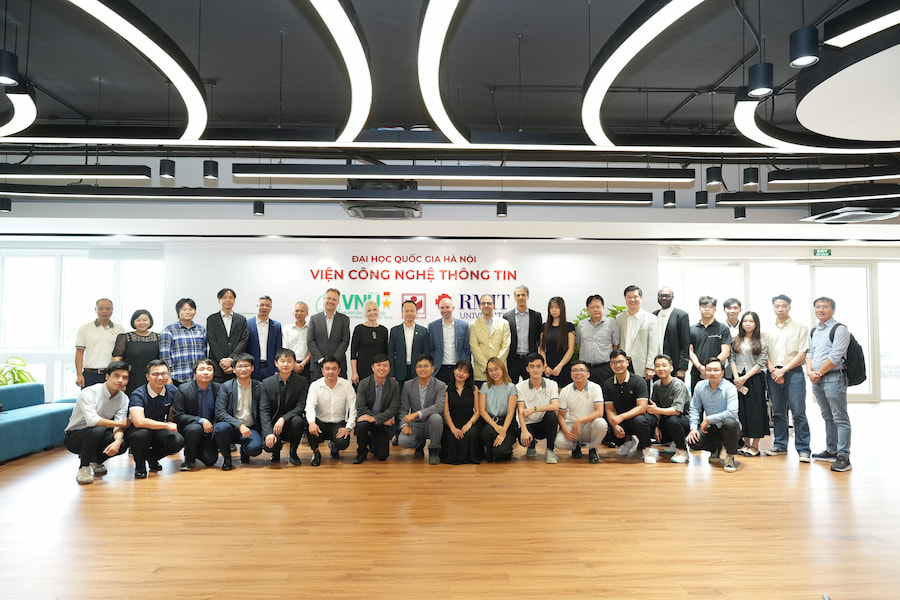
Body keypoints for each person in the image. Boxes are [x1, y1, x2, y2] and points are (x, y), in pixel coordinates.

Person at [64, 360, 131, 484]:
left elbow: (118, 424)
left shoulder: (123, 399)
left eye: (124, 377)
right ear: (107, 377)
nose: (120, 380)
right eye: (116, 376)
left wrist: (118, 441)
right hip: (75, 437)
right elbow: (93, 421)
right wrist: (121, 424)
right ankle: (83, 467)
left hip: (97, 434)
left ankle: (95, 460)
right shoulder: (89, 392)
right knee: (98, 429)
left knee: (123, 442)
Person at [807, 297, 852, 472]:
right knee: (827, 416)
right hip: (816, 379)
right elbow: (809, 352)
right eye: (817, 306)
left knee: (840, 417)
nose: (820, 309)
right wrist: (810, 372)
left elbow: (836, 355)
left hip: (834, 377)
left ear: (833, 310)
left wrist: (818, 373)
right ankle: (831, 450)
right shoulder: (814, 331)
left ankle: (844, 456)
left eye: (825, 306)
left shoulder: (839, 329)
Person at [764, 294, 811, 462]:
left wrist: (783, 370)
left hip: (794, 373)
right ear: (773, 307)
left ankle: (804, 449)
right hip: (773, 375)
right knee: (778, 413)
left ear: (789, 307)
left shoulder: (800, 328)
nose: (780, 309)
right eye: (777, 306)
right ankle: (780, 445)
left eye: (784, 306)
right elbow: (764, 353)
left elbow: (802, 353)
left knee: (798, 413)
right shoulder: (766, 328)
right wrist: (773, 371)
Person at [125, 359, 184, 478]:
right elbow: (139, 421)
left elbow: (173, 409)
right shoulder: (138, 394)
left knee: (178, 440)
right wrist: (167, 425)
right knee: (141, 435)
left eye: (163, 373)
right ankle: (140, 466)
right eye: (155, 374)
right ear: (147, 377)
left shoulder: (172, 390)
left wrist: (170, 422)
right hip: (138, 429)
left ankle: (152, 458)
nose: (160, 377)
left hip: (158, 428)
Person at [687, 357, 741, 473]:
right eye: (709, 370)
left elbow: (732, 413)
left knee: (730, 422)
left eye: (716, 370)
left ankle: (730, 456)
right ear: (705, 371)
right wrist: (692, 429)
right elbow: (694, 408)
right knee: (692, 442)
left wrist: (708, 419)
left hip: (729, 428)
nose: (712, 373)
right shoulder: (700, 386)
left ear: (722, 372)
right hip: (712, 428)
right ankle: (715, 448)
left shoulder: (730, 388)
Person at [603, 349, 655, 463]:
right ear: (610, 365)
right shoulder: (608, 384)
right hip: (622, 419)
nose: (618, 365)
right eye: (614, 362)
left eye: (621, 361)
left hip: (640, 418)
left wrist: (621, 417)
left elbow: (642, 408)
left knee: (640, 421)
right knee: (606, 428)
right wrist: (615, 425)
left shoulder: (638, 381)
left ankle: (647, 448)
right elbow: (610, 409)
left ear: (627, 362)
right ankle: (629, 441)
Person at [213, 353, 264, 470]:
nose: (243, 369)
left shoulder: (259, 387)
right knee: (221, 428)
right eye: (239, 366)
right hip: (231, 427)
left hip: (250, 428)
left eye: (246, 366)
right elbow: (220, 412)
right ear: (234, 369)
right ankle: (227, 458)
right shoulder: (226, 387)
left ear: (252, 368)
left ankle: (245, 452)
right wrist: (239, 425)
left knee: (255, 449)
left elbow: (264, 411)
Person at [305, 355, 357, 466]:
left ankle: (334, 448)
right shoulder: (315, 385)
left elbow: (353, 407)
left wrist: (348, 427)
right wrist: (311, 423)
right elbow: (310, 406)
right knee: (307, 421)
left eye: (334, 368)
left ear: (339, 370)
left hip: (338, 424)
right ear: (322, 370)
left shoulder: (346, 385)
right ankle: (316, 453)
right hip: (320, 423)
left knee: (342, 442)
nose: (330, 372)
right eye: (327, 369)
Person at [259, 349, 308, 466]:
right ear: (276, 363)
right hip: (273, 423)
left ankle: (293, 452)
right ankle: (275, 452)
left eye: (289, 361)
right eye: (282, 361)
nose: (285, 364)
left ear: (295, 363)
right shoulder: (266, 383)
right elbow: (264, 410)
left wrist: (283, 418)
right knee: (268, 445)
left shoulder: (302, 381)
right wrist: (268, 432)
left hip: (291, 422)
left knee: (298, 421)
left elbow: (301, 406)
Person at [554, 360, 608, 464]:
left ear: (588, 374)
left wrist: (579, 421)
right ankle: (575, 446)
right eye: (575, 370)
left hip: (589, 425)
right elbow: (561, 416)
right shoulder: (565, 390)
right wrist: (565, 431)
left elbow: (599, 412)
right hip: (571, 426)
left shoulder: (595, 388)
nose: (578, 373)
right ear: (570, 374)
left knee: (601, 424)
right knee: (559, 442)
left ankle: (593, 449)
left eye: (582, 370)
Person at [730, 311, 768, 457]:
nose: (747, 323)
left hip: (754, 379)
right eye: (745, 321)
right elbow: (731, 358)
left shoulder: (761, 340)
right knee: (742, 412)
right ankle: (746, 443)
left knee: (756, 412)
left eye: (751, 321)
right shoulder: (737, 339)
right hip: (737, 379)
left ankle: (755, 445)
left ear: (756, 323)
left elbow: (761, 362)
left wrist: (744, 378)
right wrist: (736, 378)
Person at [173, 358, 222, 470]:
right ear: (194, 373)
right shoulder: (183, 389)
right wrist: (202, 420)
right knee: (195, 428)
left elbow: (221, 411)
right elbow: (178, 415)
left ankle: (196, 451)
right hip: (191, 429)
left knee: (210, 461)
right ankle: (188, 459)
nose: (205, 372)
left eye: (209, 369)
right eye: (201, 369)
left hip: (210, 430)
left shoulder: (218, 389)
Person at [398, 354, 447, 465]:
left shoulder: (440, 385)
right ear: (415, 369)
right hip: (415, 425)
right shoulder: (408, 385)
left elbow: (439, 406)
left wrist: (416, 414)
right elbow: (403, 409)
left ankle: (434, 450)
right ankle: (419, 444)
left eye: (426, 366)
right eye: (419, 366)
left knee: (436, 418)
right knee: (403, 441)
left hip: (431, 422)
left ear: (432, 368)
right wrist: (404, 425)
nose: (422, 369)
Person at [354, 354, 400, 463]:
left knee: (383, 456)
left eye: (385, 366)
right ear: (372, 367)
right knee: (362, 425)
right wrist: (376, 419)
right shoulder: (364, 383)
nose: (382, 368)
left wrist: (376, 419)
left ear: (389, 369)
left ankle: (373, 441)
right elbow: (361, 407)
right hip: (371, 419)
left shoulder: (394, 385)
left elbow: (393, 408)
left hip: (381, 423)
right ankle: (361, 452)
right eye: (378, 365)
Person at [515, 353, 560, 464]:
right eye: (532, 366)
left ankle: (550, 450)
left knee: (551, 416)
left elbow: (555, 406)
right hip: (529, 424)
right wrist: (524, 431)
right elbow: (520, 410)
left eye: (538, 366)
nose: (535, 370)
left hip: (545, 424)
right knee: (523, 437)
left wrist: (533, 409)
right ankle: (531, 446)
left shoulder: (552, 384)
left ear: (544, 368)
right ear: (527, 369)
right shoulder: (519, 386)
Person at [648, 354, 691, 463]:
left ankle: (682, 450)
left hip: (683, 421)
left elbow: (676, 411)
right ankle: (674, 442)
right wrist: (656, 426)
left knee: (672, 419)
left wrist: (656, 410)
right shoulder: (657, 385)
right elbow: (654, 406)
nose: (661, 368)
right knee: (649, 421)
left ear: (671, 368)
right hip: (667, 419)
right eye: (657, 366)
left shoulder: (678, 385)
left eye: (664, 365)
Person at [75, 298, 125, 388]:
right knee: (89, 401)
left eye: (108, 308)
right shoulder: (85, 328)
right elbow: (79, 352)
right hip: (90, 373)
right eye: (101, 308)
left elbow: (122, 354)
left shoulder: (119, 329)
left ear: (112, 310)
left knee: (111, 401)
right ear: (96, 310)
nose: (104, 311)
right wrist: (79, 375)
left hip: (111, 374)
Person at [440, 359, 483, 465]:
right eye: (459, 370)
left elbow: (478, 411)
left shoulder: (474, 389)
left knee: (471, 434)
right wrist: (453, 428)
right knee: (451, 436)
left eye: (465, 372)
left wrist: (469, 424)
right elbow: (445, 412)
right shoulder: (446, 389)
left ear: (469, 375)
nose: (461, 374)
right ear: (454, 370)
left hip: (469, 421)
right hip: (452, 422)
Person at [477, 356, 518, 462]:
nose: (493, 373)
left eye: (496, 369)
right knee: (487, 432)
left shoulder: (511, 387)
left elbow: (510, 412)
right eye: (490, 370)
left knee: (501, 453)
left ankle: (504, 449)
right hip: (490, 423)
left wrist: (502, 432)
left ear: (502, 369)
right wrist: (496, 427)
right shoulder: (485, 387)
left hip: (507, 425)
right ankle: (489, 450)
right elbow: (482, 411)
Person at [160, 298, 208, 387]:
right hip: (177, 378)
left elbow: (205, 353)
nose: (188, 312)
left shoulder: (201, 330)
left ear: (195, 311)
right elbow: (165, 357)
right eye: (184, 310)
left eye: (191, 309)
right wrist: (167, 376)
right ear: (178, 312)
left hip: (198, 378)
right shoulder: (169, 330)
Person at [112, 309, 160, 396]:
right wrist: (119, 380)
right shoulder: (125, 337)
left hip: (154, 378)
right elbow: (117, 360)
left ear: (150, 321)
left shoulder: (158, 337)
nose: (141, 322)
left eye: (145, 320)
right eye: (138, 320)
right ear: (133, 322)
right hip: (131, 379)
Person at [206, 287, 249, 383]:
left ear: (234, 300)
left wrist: (231, 360)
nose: (228, 300)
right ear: (219, 301)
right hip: (217, 366)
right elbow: (212, 341)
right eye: (225, 297)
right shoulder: (211, 319)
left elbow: (244, 340)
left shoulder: (241, 319)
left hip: (236, 366)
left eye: (231, 297)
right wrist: (223, 362)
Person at [688, 296, 732, 390]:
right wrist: (700, 367)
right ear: (699, 309)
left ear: (715, 309)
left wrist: (710, 368)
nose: (707, 309)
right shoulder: (692, 329)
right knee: (697, 401)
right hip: (697, 371)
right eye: (704, 306)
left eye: (710, 307)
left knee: (718, 401)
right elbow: (690, 351)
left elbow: (726, 352)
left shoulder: (723, 328)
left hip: (717, 372)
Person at [575, 294, 620, 387]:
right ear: (587, 309)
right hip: (585, 368)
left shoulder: (611, 323)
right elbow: (579, 344)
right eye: (592, 307)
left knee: (605, 395)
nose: (595, 309)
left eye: (598, 307)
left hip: (605, 368)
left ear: (603, 307)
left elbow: (615, 345)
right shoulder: (581, 325)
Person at [615, 285, 659, 380]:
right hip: (623, 364)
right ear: (625, 299)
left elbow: (654, 345)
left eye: (635, 297)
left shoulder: (651, 319)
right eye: (629, 297)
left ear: (641, 298)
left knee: (642, 393)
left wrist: (650, 367)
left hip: (641, 366)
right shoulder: (619, 318)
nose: (632, 300)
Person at [308, 287, 351, 380]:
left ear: (338, 302)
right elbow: (310, 341)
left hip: (338, 366)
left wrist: (333, 361)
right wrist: (320, 359)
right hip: (317, 367)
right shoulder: (314, 319)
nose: (331, 301)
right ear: (324, 299)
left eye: (334, 299)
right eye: (328, 298)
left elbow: (345, 341)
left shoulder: (344, 319)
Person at [428, 295, 471, 385]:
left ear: (453, 308)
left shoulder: (464, 326)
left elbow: (467, 349)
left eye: (447, 307)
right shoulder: (433, 326)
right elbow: (431, 349)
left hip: (458, 369)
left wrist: (464, 368)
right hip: (439, 369)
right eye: (442, 308)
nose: (445, 310)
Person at [503, 285, 542, 383]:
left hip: (530, 359)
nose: (521, 297)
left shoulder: (536, 316)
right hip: (512, 359)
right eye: (518, 295)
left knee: (531, 388)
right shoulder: (507, 316)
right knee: (511, 388)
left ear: (527, 297)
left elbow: (539, 338)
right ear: (515, 297)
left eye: (523, 295)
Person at [469, 294, 511, 386]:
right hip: (481, 373)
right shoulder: (473, 325)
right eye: (483, 303)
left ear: (493, 306)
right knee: (481, 400)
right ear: (480, 306)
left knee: (501, 400)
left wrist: (496, 367)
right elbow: (474, 347)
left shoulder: (504, 323)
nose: (486, 306)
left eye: (489, 303)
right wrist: (488, 368)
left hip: (501, 372)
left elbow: (506, 345)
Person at [654, 287, 691, 380]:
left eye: (667, 296)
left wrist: (682, 368)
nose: (663, 298)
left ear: (672, 297)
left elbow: (685, 344)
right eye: (661, 296)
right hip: (657, 366)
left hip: (674, 367)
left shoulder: (681, 315)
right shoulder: (654, 315)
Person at [388, 299, 428, 384]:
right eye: (406, 311)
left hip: (417, 371)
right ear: (402, 313)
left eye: (412, 311)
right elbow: (390, 354)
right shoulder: (394, 331)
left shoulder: (423, 331)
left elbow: (426, 353)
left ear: (416, 312)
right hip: (399, 373)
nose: (409, 313)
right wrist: (391, 373)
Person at [539, 296, 575, 389]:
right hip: (548, 367)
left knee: (563, 396)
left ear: (562, 309)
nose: (554, 310)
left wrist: (560, 366)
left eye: (557, 307)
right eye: (551, 307)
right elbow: (542, 349)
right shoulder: (545, 326)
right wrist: (545, 366)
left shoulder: (569, 327)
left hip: (563, 366)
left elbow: (571, 349)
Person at [350, 299, 388, 386]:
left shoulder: (384, 330)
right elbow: (353, 353)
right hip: (362, 370)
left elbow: (386, 353)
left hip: (379, 370)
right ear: (365, 313)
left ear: (378, 311)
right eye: (369, 310)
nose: (372, 313)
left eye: (374, 310)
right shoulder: (359, 329)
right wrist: (354, 372)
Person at [247, 295, 282, 381]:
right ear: (257, 306)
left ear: (271, 307)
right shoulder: (247, 324)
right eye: (262, 305)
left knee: (270, 393)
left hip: (270, 367)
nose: (265, 307)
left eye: (268, 305)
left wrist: (277, 369)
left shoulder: (276, 326)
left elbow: (278, 349)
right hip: (252, 367)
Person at [283, 301, 312, 381]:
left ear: (307, 313)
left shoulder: (311, 329)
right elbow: (285, 349)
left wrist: (303, 364)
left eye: (302, 311)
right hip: (289, 365)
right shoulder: (287, 329)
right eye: (296, 311)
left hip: (307, 366)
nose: (299, 313)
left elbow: (313, 349)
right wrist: (294, 364)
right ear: (293, 313)